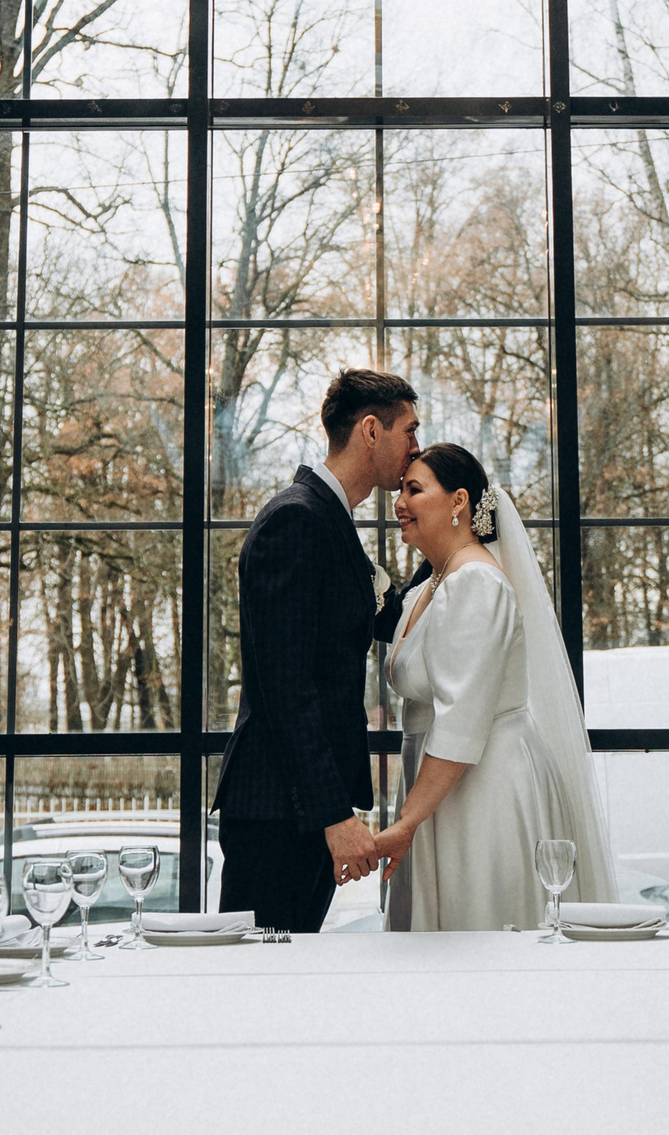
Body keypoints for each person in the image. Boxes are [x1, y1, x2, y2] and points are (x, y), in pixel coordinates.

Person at [212, 368, 421, 932]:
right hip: (279, 812)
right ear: (371, 430)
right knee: (261, 990)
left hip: (295, 810)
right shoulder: (296, 521)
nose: (415, 448)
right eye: (410, 431)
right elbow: (287, 690)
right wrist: (334, 815)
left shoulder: (329, 522)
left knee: (286, 990)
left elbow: (387, 615)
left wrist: (452, 541)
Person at [373, 443, 614, 930]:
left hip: (485, 790)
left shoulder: (478, 583)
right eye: (400, 489)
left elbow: (460, 723)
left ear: (459, 501)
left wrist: (404, 826)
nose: (398, 502)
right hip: (433, 787)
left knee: (477, 931)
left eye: (414, 489)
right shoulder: (426, 589)